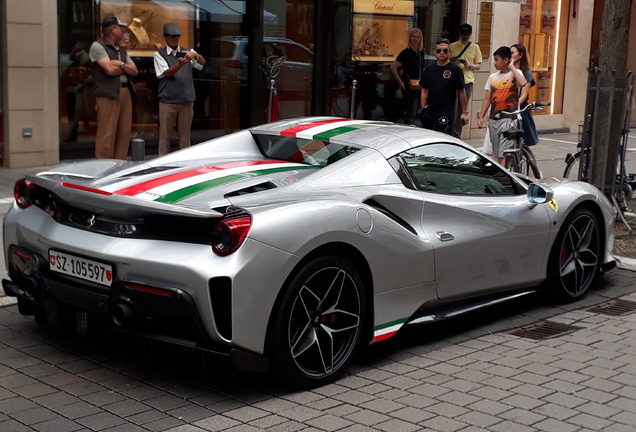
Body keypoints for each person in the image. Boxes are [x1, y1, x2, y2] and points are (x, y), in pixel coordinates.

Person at [89, 16, 138, 159]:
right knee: (107, 134)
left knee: (123, 132)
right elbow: (109, 70)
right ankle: (104, 167)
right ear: (113, 29)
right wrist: (122, 67)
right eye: (120, 27)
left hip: (124, 92)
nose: (123, 30)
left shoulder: (121, 49)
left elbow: (134, 70)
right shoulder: (98, 46)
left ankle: (119, 166)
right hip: (108, 94)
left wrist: (120, 64)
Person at [154, 23, 205, 156]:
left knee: (185, 136)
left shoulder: (187, 51)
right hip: (168, 101)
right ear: (165, 37)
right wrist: (181, 64)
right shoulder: (159, 54)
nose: (175, 39)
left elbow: (202, 64)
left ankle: (185, 162)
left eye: (177, 36)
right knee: (165, 135)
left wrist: (195, 55)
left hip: (186, 100)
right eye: (171, 37)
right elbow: (167, 73)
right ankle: (162, 163)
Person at [477, 46, 528, 165]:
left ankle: (505, 175)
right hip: (495, 119)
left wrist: (512, 67)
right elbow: (487, 99)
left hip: (509, 119)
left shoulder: (516, 73)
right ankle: (502, 173)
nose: (494, 63)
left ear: (506, 60)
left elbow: (523, 83)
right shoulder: (492, 77)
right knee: (496, 152)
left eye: (497, 60)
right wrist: (482, 116)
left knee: (504, 152)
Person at [419, 39, 468, 134]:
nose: (442, 53)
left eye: (445, 50)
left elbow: (461, 91)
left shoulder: (455, 70)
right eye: (439, 50)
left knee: (437, 134)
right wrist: (423, 107)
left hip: (445, 111)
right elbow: (424, 89)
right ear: (434, 52)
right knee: (428, 136)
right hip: (429, 111)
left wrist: (465, 112)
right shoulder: (428, 69)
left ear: (449, 52)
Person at [450, 23, 482, 138]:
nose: (465, 36)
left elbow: (479, 66)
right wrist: (455, 63)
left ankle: (457, 134)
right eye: (463, 34)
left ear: (471, 34)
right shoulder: (452, 46)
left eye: (467, 34)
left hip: (467, 81)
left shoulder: (475, 47)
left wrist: (469, 65)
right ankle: (448, 130)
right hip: (452, 81)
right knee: (450, 106)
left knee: (462, 109)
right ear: (460, 34)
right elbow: (446, 63)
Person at [390, 28, 425, 125]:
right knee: (411, 110)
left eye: (418, 37)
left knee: (417, 108)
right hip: (408, 84)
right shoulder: (405, 53)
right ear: (410, 38)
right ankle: (408, 128)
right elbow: (393, 67)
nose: (416, 39)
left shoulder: (420, 53)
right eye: (413, 36)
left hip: (419, 84)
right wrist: (400, 81)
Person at [511, 43, 539, 160]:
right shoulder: (508, 71)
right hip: (507, 109)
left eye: (513, 53)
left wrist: (513, 106)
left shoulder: (526, 73)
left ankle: (536, 171)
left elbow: (524, 94)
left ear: (521, 55)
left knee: (524, 144)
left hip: (519, 110)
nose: (510, 55)